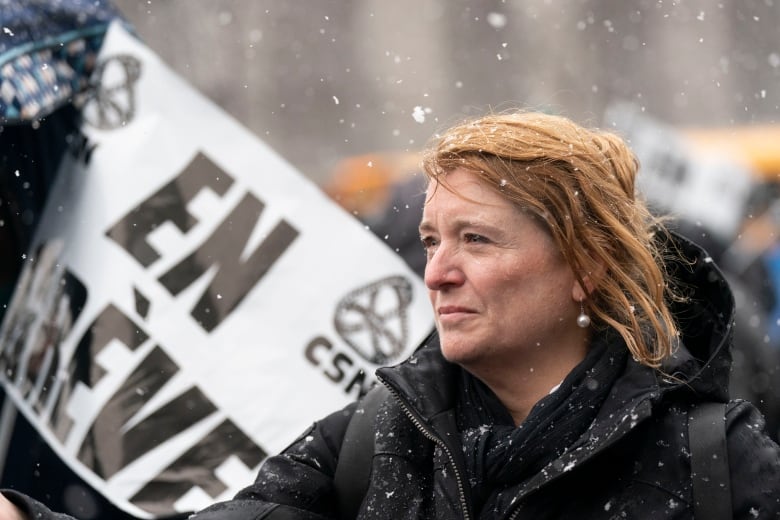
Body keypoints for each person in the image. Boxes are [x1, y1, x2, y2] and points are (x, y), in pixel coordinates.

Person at [3, 110, 780, 519]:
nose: (436, 273)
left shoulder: (713, 460)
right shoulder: (375, 437)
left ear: (586, 266)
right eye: (430, 240)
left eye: (475, 240)